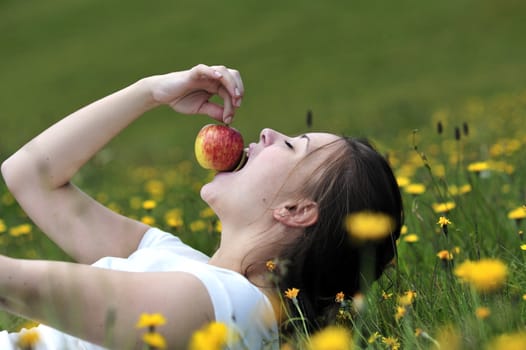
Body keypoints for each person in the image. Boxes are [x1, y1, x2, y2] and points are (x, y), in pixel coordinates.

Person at [0, 64, 403, 349]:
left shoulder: (235, 311)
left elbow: (24, 286)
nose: (268, 132)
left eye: (292, 145)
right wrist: (149, 92)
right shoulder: (176, 259)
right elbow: (29, 176)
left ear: (296, 211)